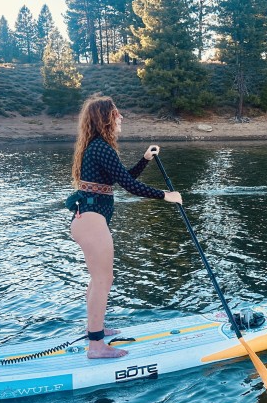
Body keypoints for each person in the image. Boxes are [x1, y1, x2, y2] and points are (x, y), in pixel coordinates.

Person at [67, 96, 182, 358]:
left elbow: (123, 179)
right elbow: (131, 187)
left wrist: (145, 160)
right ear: (106, 118)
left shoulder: (97, 148)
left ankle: (94, 330)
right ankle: (95, 345)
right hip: (91, 221)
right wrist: (166, 195)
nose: (121, 118)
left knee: (99, 280)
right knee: (103, 280)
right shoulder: (101, 148)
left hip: (88, 220)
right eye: (117, 113)